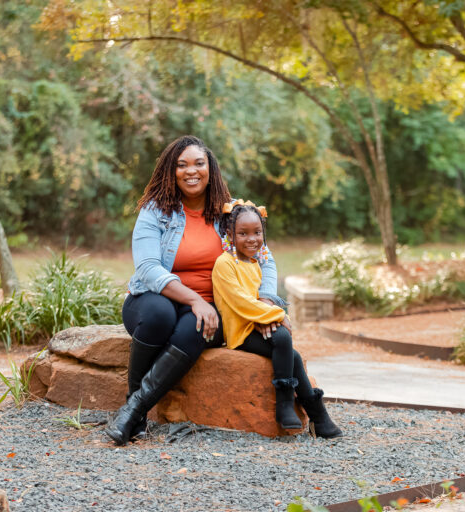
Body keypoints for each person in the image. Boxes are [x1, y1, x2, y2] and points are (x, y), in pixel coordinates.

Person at [105, 136, 285, 445]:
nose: (192, 171)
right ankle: (133, 403)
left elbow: (264, 258)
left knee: (199, 325)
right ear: (170, 171)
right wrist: (193, 299)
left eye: (199, 163)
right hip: (153, 298)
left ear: (210, 169)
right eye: (182, 164)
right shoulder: (155, 211)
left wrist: (266, 299)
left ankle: (132, 412)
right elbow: (148, 268)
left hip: (207, 306)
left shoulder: (228, 216)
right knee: (160, 314)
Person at [211, 200, 343, 438]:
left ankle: (318, 417)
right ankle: (286, 404)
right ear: (229, 234)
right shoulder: (224, 264)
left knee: (292, 353)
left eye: (257, 232)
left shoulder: (253, 263)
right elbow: (241, 303)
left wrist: (269, 317)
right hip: (240, 332)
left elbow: (258, 302)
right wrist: (279, 315)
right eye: (243, 233)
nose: (252, 239)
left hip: (256, 323)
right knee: (284, 340)